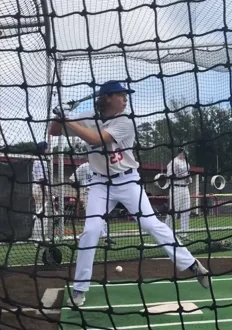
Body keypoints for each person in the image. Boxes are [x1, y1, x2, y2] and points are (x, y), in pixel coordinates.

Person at [48, 80, 209, 307]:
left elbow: (97, 140)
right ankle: (79, 289)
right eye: (121, 95)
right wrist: (59, 115)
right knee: (91, 231)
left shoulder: (125, 121)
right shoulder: (86, 116)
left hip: (128, 181)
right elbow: (53, 131)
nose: (125, 99)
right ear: (108, 98)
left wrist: (69, 120)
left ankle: (192, 265)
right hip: (100, 184)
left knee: (151, 225)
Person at [69, 161, 114, 246]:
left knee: (103, 214)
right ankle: (86, 239)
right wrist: (79, 190)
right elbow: (72, 180)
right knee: (91, 217)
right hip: (87, 193)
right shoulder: (84, 166)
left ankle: (105, 238)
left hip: (100, 193)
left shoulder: (101, 165)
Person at [165, 147, 192, 236]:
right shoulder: (173, 162)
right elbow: (169, 176)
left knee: (186, 210)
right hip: (176, 188)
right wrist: (181, 177)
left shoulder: (187, 163)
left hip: (185, 188)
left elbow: (188, 177)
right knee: (173, 211)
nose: (184, 155)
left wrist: (188, 179)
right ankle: (168, 232)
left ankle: (184, 233)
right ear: (180, 153)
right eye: (183, 153)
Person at [31, 141, 53, 243]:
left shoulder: (37, 160)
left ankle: (37, 236)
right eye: (47, 148)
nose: (48, 150)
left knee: (40, 211)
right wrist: (46, 193)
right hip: (40, 188)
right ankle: (38, 237)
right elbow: (41, 180)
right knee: (42, 213)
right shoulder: (41, 161)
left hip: (37, 187)